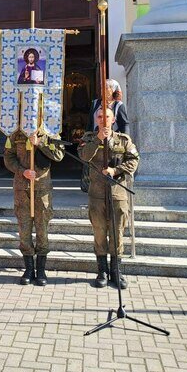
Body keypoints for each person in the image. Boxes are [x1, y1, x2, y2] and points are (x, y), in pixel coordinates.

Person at [78, 107, 139, 289]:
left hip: (117, 194)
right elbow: (84, 157)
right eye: (99, 116)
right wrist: (98, 139)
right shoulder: (88, 138)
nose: (103, 119)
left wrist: (115, 170)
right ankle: (102, 271)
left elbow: (134, 160)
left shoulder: (123, 140)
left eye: (107, 116)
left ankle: (116, 270)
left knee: (117, 232)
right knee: (99, 232)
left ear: (113, 120)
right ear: (96, 119)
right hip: (96, 194)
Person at [4, 129, 64, 286]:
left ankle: (41, 269)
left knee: (42, 230)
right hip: (22, 188)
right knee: (24, 230)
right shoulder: (16, 134)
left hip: (42, 189)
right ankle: (29, 269)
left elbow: (59, 155)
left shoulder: (51, 133)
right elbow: (8, 157)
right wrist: (21, 171)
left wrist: (40, 143)